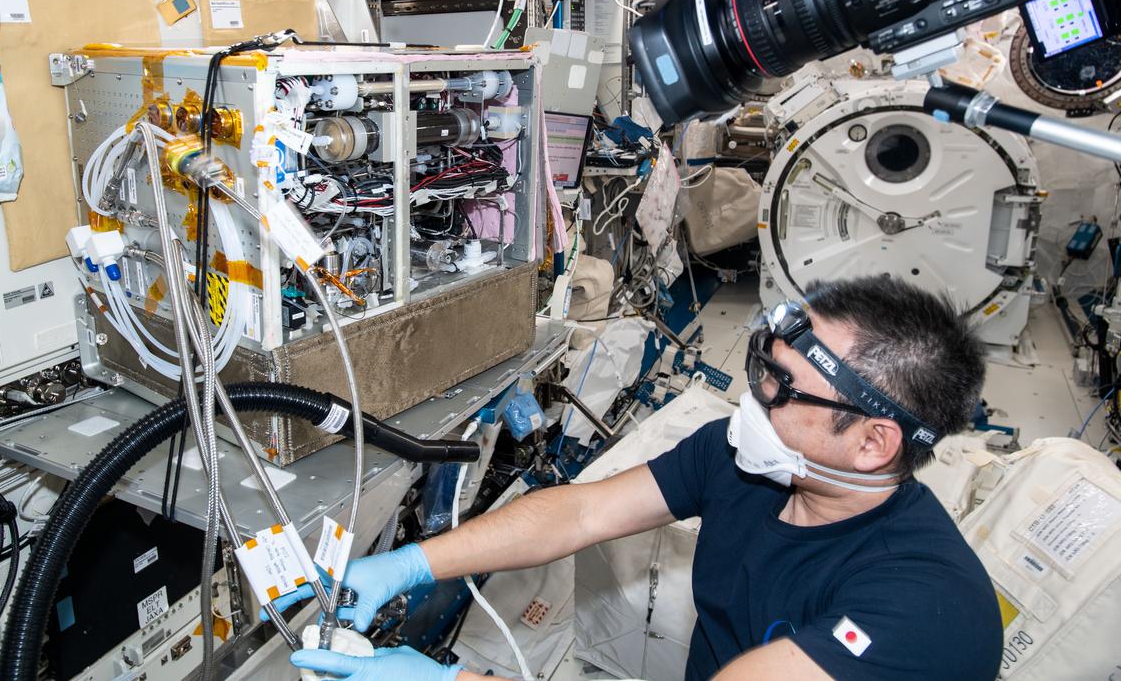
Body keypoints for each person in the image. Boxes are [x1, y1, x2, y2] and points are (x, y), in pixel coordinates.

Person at [282, 276, 1003, 680]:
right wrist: (409, 563)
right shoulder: (749, 460)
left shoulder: (923, 610)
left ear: (875, 441)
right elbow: (581, 515)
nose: (751, 398)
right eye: (761, 365)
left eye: (782, 388)